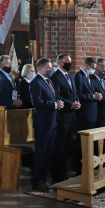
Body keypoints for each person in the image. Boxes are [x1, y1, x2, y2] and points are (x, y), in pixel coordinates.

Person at [30, 58, 62, 192]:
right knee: (41, 153)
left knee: (48, 153)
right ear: (41, 68)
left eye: (51, 67)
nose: (51, 70)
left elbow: (54, 96)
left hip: (52, 122)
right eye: (48, 68)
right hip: (43, 123)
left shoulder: (48, 81)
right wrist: (54, 105)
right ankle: (37, 181)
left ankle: (44, 179)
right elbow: (37, 102)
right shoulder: (35, 82)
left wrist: (58, 102)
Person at [50, 54, 79, 182]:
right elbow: (57, 95)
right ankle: (57, 174)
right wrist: (70, 104)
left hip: (71, 116)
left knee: (67, 147)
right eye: (67, 61)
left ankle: (64, 172)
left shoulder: (71, 77)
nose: (69, 63)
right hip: (62, 117)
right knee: (60, 147)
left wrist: (76, 102)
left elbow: (74, 93)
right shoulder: (55, 77)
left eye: (70, 61)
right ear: (60, 63)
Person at [74, 57, 102, 132]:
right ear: (86, 66)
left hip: (91, 113)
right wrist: (93, 96)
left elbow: (89, 91)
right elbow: (78, 94)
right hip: (84, 113)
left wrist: (96, 94)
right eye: (92, 67)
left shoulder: (88, 76)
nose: (93, 70)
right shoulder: (79, 76)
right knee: (83, 138)